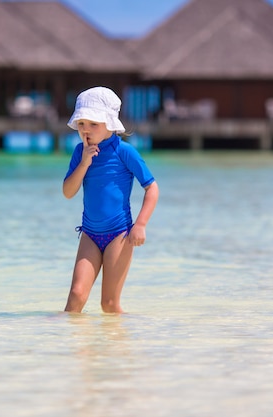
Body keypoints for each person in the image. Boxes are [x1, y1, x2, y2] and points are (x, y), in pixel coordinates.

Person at [63, 86, 159, 314]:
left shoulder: (124, 151)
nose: (86, 130)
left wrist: (141, 225)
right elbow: (68, 192)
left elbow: (152, 188)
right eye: (81, 124)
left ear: (110, 124)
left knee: (109, 304)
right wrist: (84, 163)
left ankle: (119, 347)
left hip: (119, 234)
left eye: (93, 124)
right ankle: (67, 346)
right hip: (89, 234)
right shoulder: (80, 152)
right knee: (76, 296)